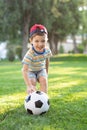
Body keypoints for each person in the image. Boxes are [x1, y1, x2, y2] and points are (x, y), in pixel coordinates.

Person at [22, 24, 52, 94]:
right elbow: (24, 70)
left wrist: (46, 73)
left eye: (43, 41)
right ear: (31, 41)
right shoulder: (30, 53)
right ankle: (32, 100)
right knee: (32, 82)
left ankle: (44, 99)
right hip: (31, 71)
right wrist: (29, 85)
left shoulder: (47, 50)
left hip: (41, 69)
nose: (40, 44)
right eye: (36, 41)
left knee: (44, 80)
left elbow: (47, 62)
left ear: (46, 40)